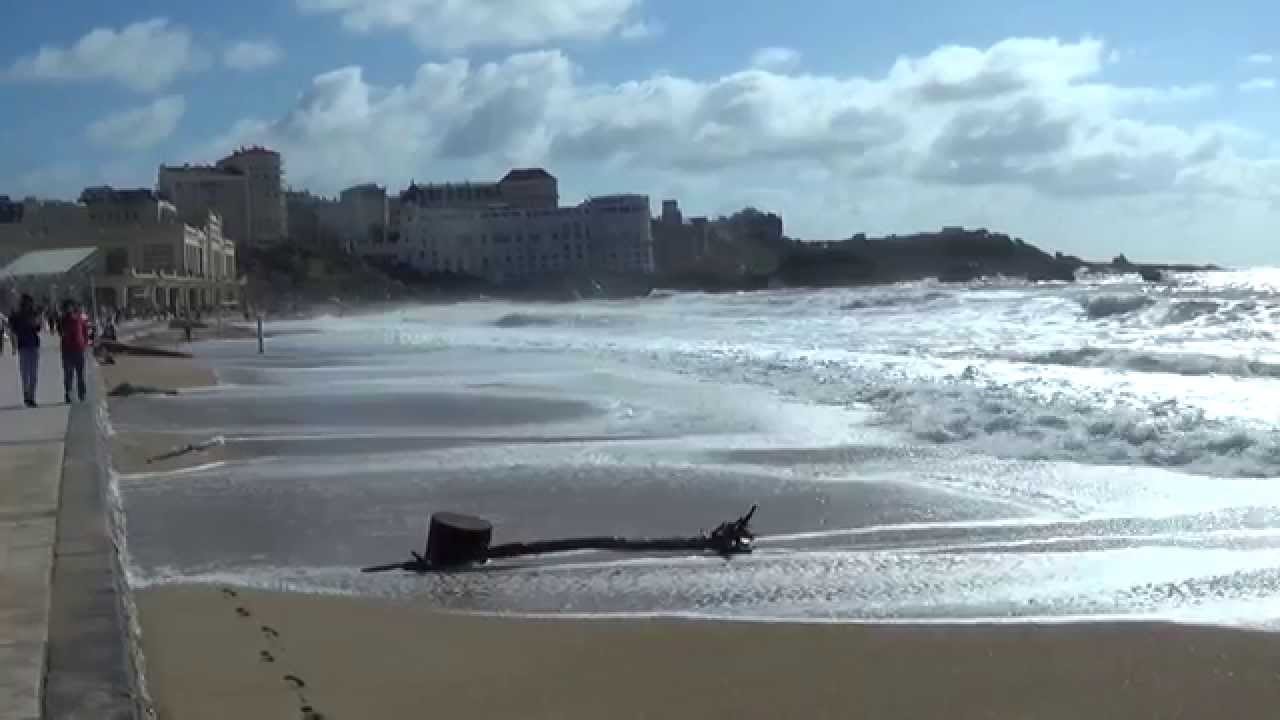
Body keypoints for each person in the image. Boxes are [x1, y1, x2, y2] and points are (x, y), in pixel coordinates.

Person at [8, 295, 43, 407]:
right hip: (23, 347)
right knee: (25, 374)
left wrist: (38, 318)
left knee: (33, 374)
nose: (29, 304)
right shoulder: (17, 316)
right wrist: (13, 346)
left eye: (30, 302)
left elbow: (38, 328)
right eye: (27, 302)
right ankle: (27, 396)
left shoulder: (33, 314)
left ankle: (31, 397)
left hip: (33, 346)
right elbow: (12, 330)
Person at [58, 299, 90, 403]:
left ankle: (82, 394)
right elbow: (61, 333)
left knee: (80, 374)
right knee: (68, 374)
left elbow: (85, 331)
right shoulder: (63, 320)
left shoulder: (80, 318)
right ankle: (68, 394)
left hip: (79, 349)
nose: (69, 309)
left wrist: (85, 343)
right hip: (67, 351)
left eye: (71, 306)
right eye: (67, 307)